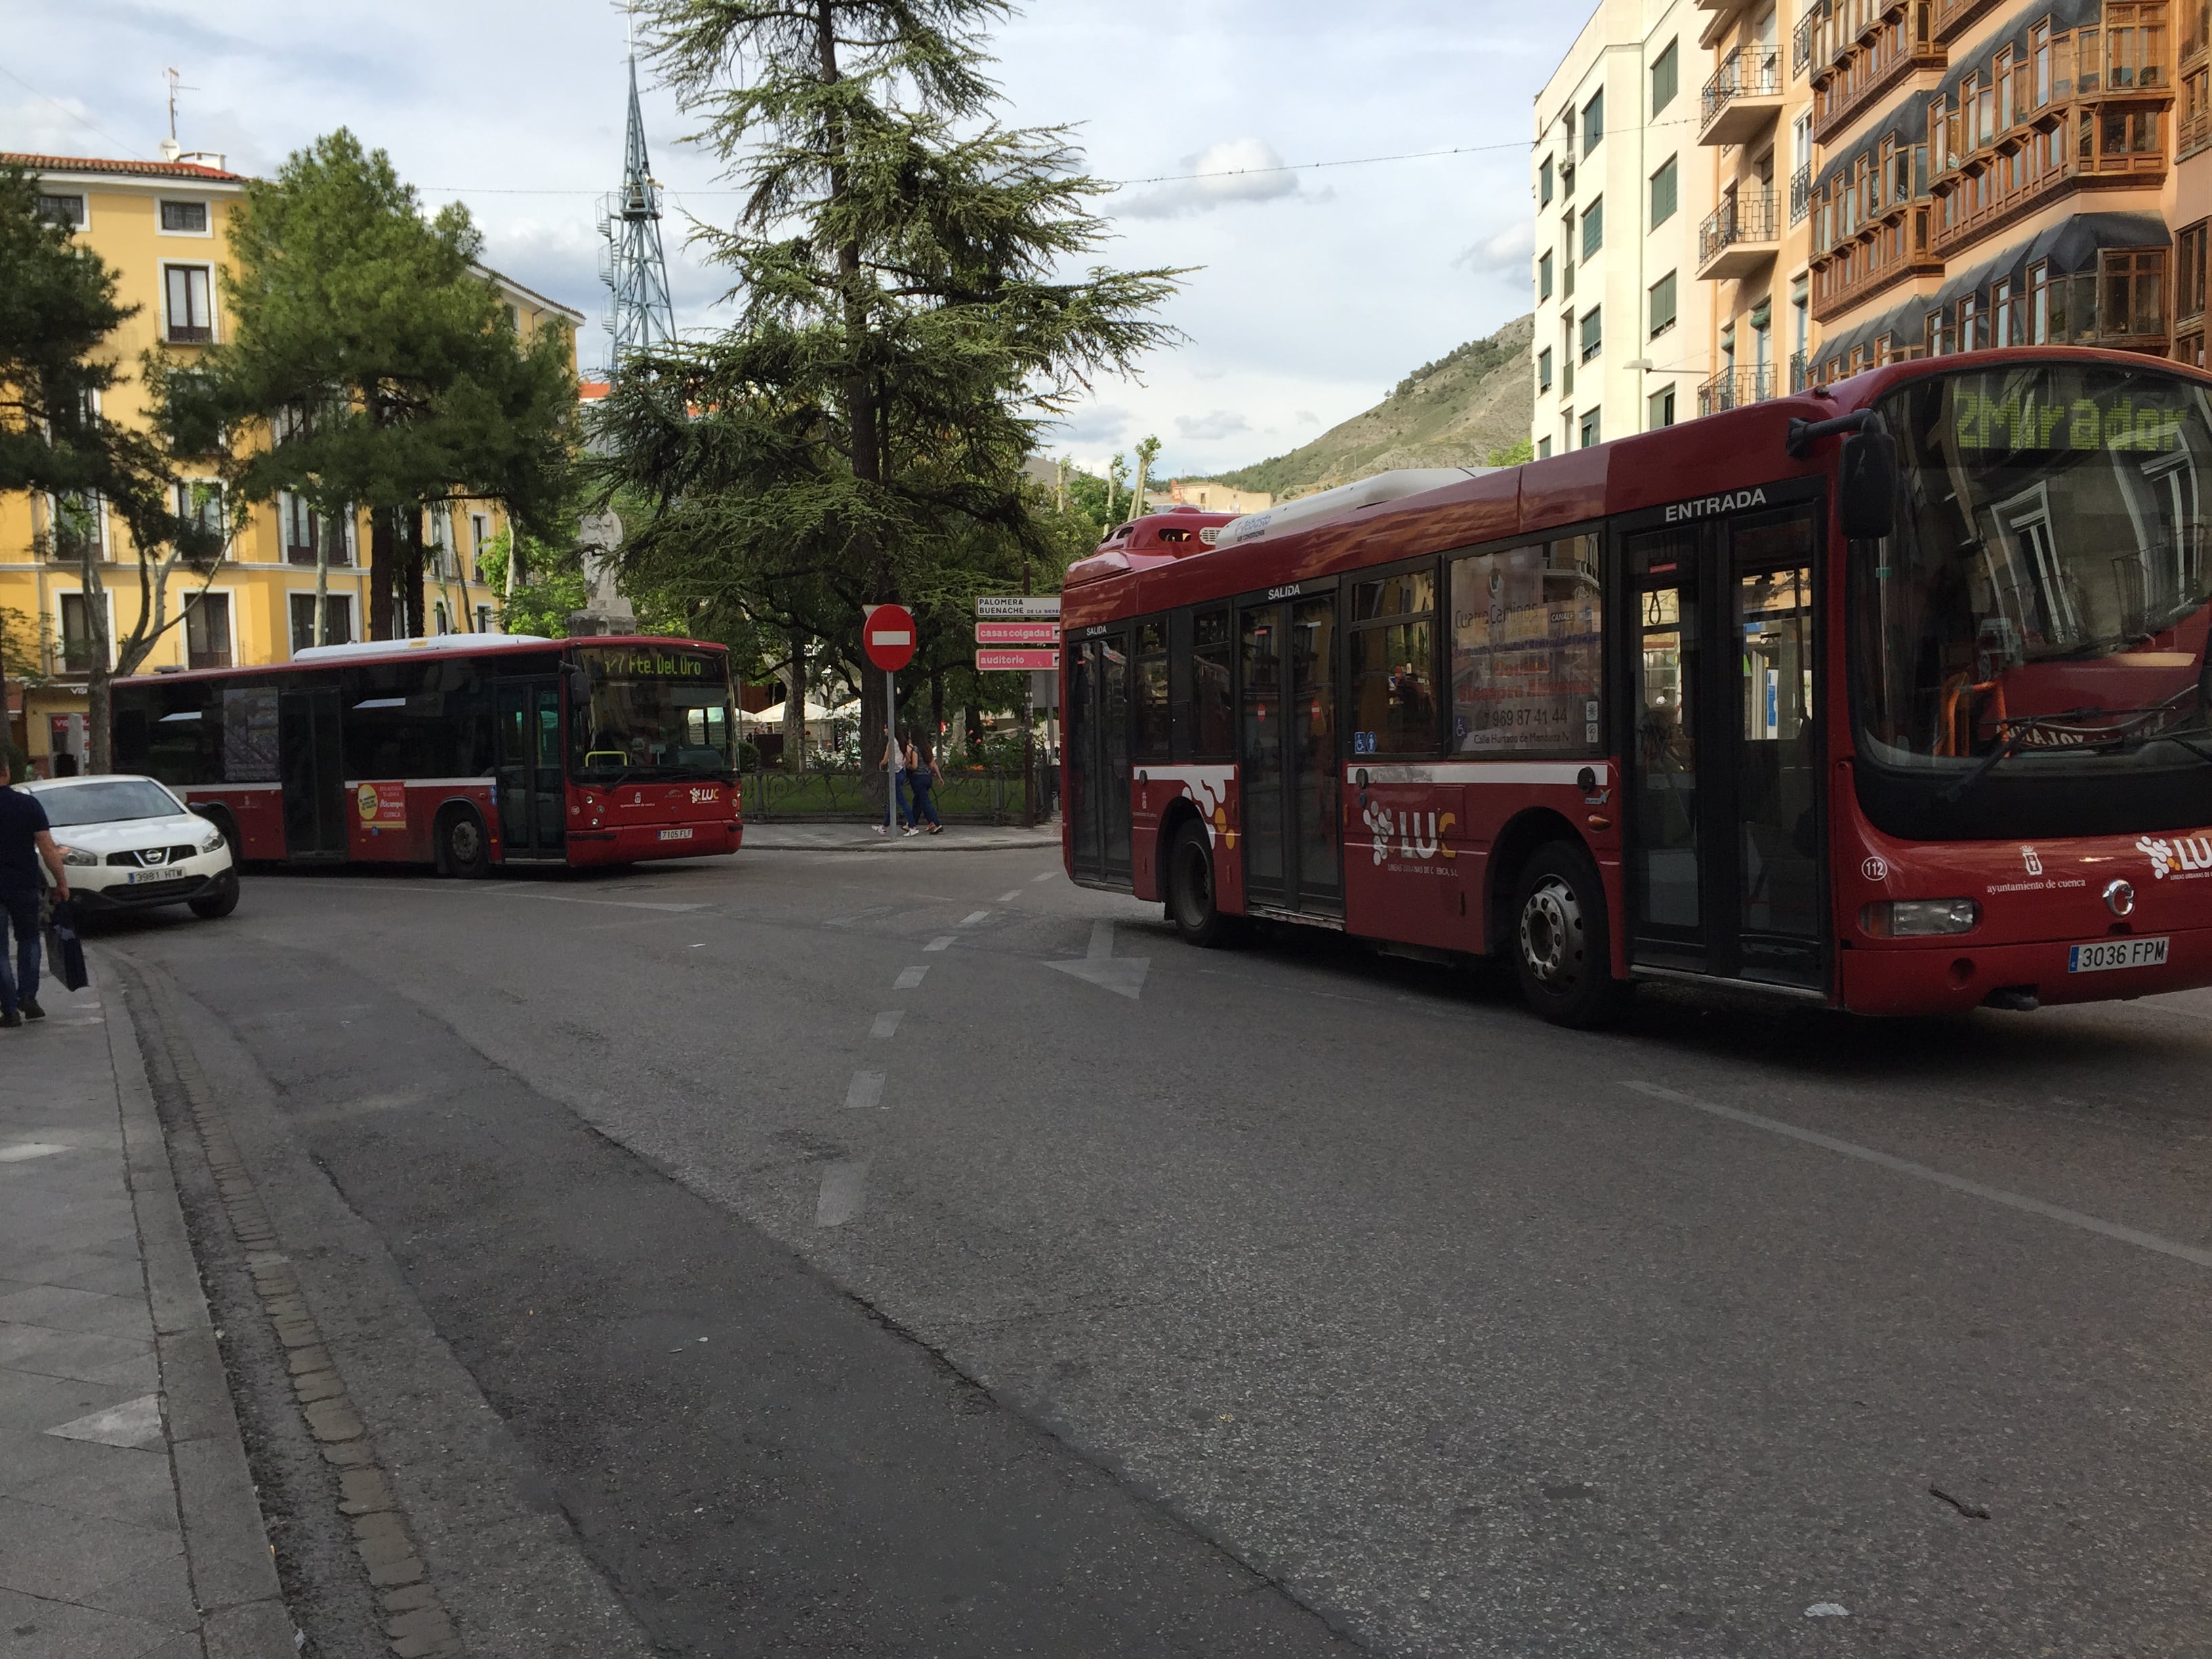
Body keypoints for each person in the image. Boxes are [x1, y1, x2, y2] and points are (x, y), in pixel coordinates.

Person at [0, 750, 70, 1029]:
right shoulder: (28, 805)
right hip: (24, 885)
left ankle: (9, 1010)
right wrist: (60, 882)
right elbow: (47, 847)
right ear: (6, 771)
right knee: (29, 940)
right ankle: (28, 997)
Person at [905, 737, 943, 834]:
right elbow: (932, 765)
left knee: (925, 802)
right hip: (928, 777)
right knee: (918, 801)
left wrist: (908, 765)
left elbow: (915, 766)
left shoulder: (916, 749)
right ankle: (911, 823)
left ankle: (935, 823)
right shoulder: (927, 749)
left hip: (918, 778)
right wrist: (939, 777)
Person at [877, 726, 910, 836]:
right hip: (901, 772)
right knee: (893, 801)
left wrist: (881, 764)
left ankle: (912, 825)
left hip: (894, 774)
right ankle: (884, 827)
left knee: (901, 801)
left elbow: (886, 759)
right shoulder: (900, 742)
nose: (884, 730)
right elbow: (908, 758)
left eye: (886, 728)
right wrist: (902, 765)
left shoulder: (891, 742)